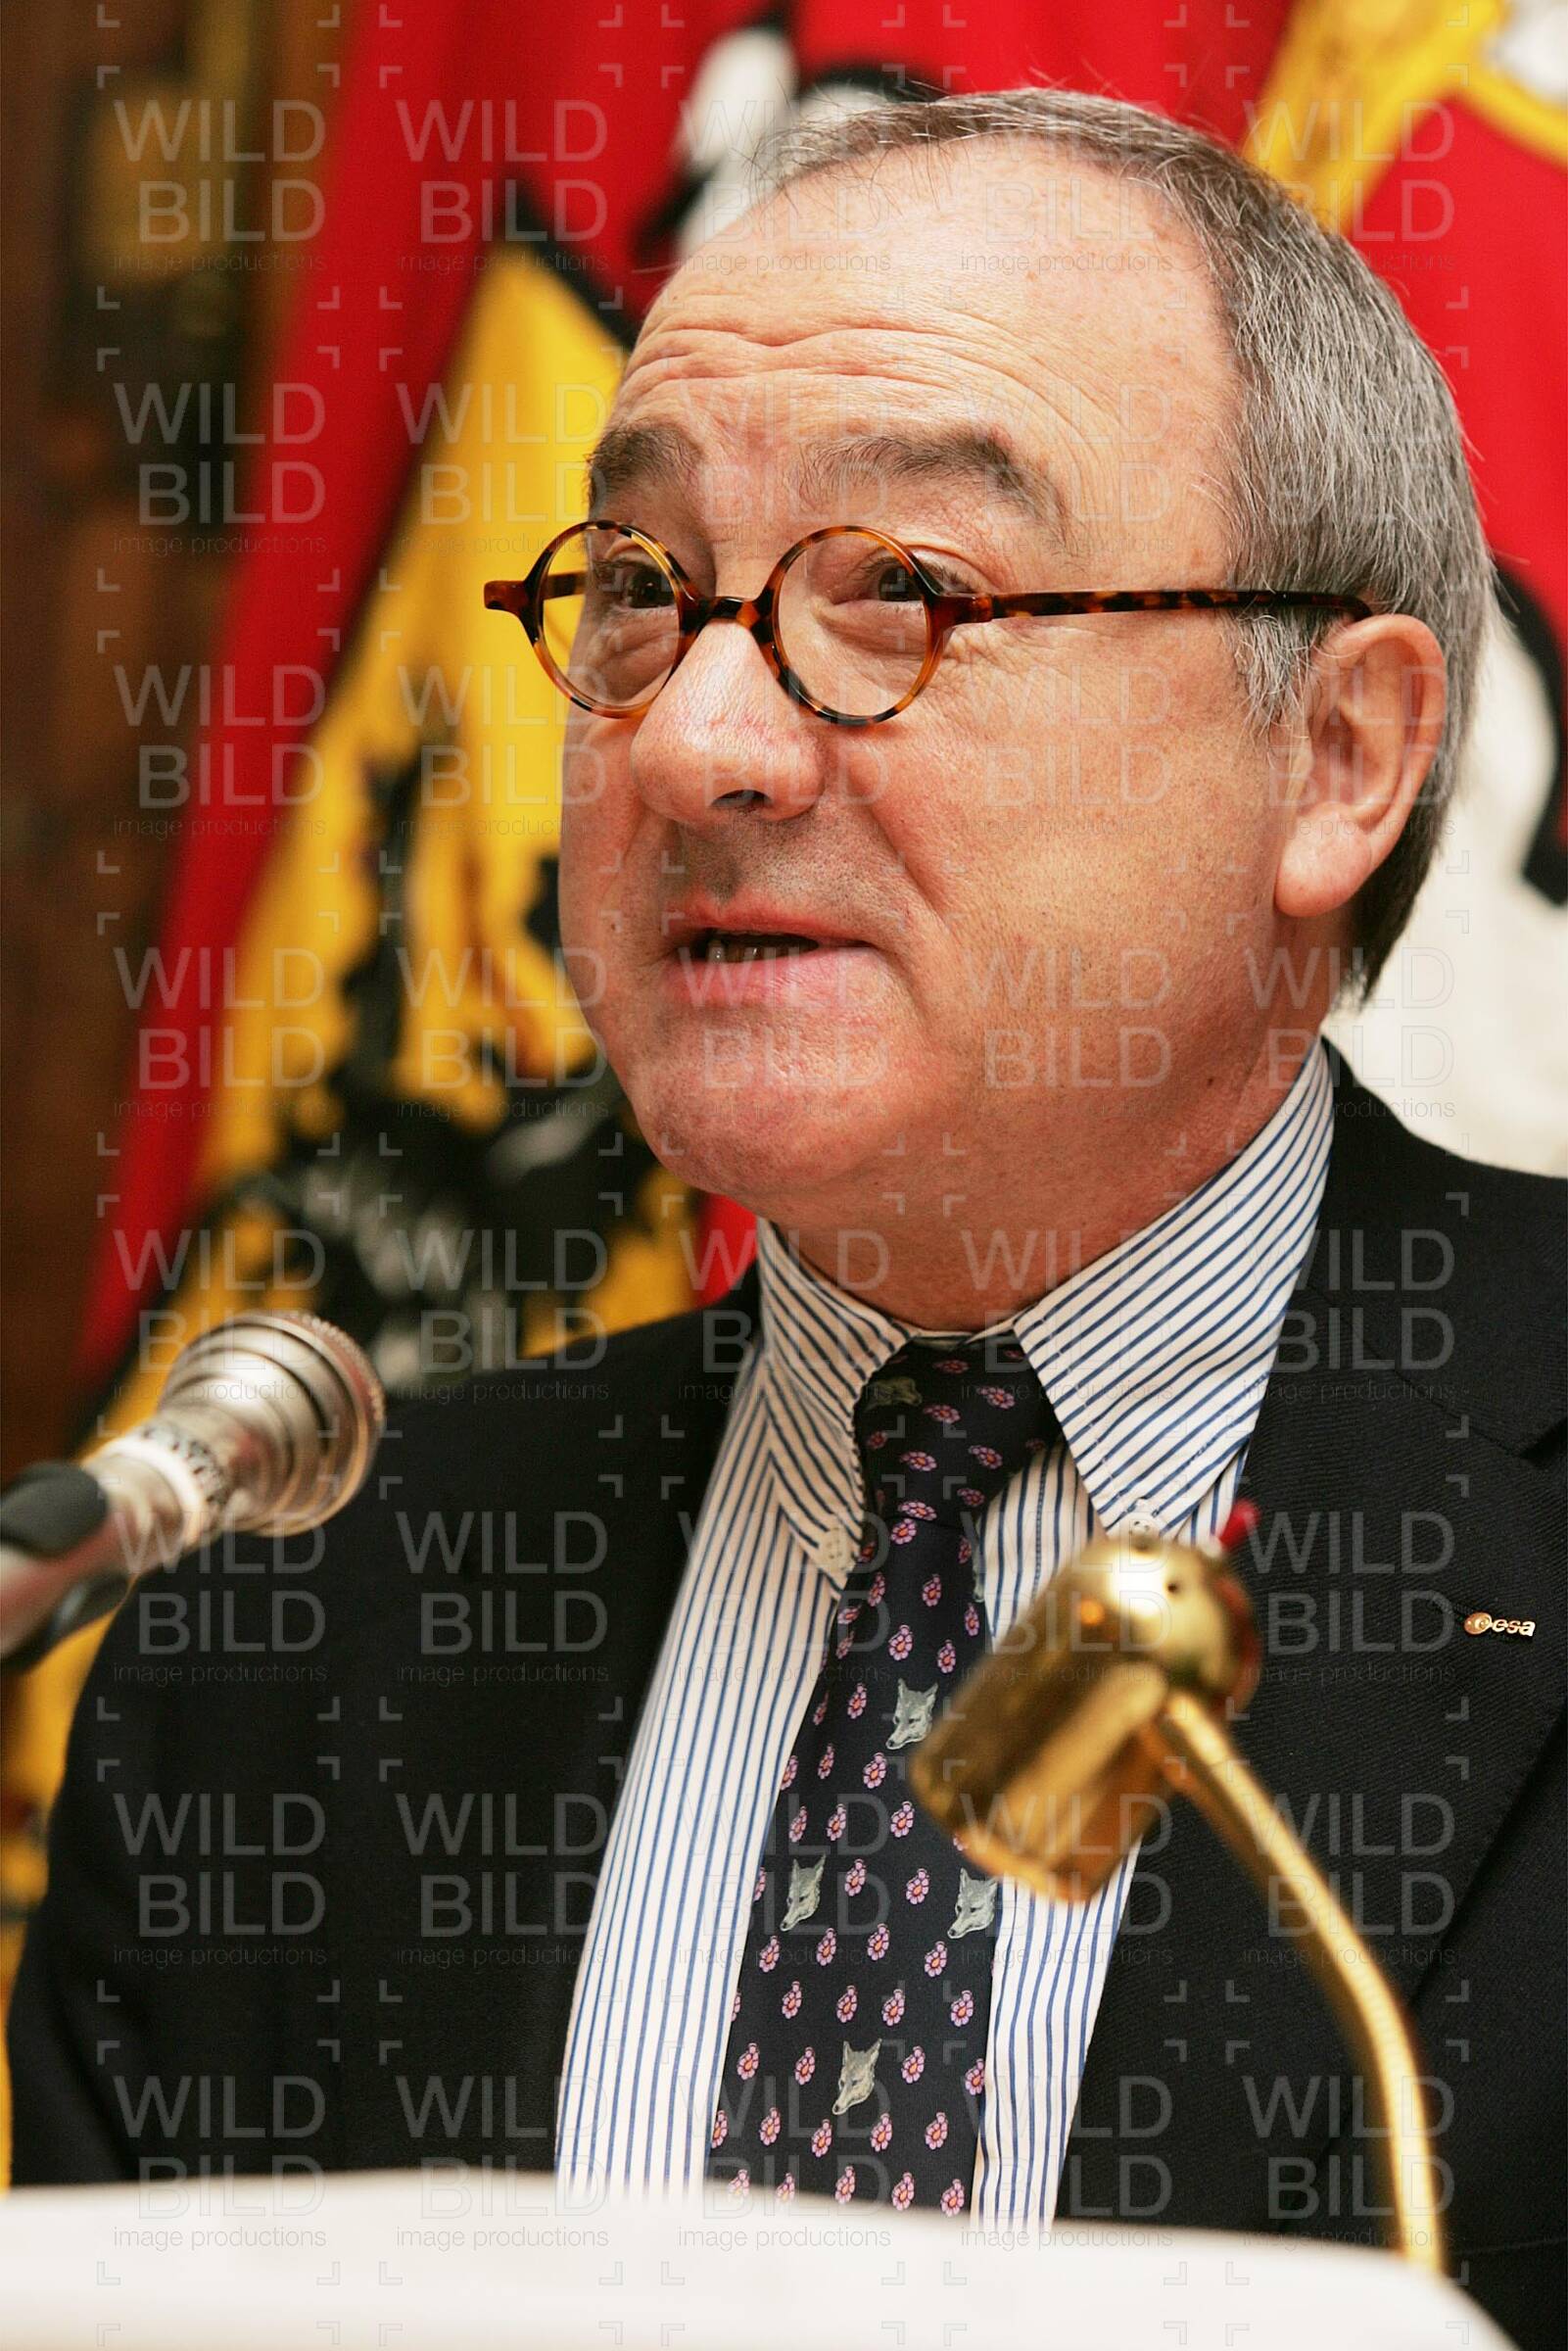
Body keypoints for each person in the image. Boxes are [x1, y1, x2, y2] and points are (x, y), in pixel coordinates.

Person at [9, 87, 1562, 2351]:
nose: (692, 743)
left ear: (1338, 755)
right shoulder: (281, 1644)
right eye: (641, 595)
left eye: (906, 594)